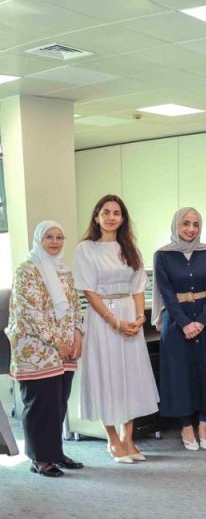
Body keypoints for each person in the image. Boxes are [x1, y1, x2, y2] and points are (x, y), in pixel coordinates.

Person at [74, 195, 159, 464]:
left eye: (117, 213)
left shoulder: (130, 248)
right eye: (106, 212)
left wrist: (138, 318)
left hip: (128, 315)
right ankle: (112, 439)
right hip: (102, 318)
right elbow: (89, 291)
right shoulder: (86, 249)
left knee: (129, 376)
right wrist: (114, 322)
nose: (111, 217)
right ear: (97, 217)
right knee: (106, 375)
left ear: (122, 219)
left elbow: (138, 287)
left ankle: (128, 438)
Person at [6, 222, 84, 476]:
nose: (55, 242)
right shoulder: (26, 270)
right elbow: (30, 312)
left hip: (64, 349)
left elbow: (75, 306)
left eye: (59, 237)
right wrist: (56, 341)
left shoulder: (64, 271)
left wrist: (78, 335)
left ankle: (54, 453)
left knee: (58, 404)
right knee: (40, 405)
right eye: (49, 237)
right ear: (38, 240)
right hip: (36, 349)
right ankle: (39, 459)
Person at [153, 208, 206, 450]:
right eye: (186, 223)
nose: (191, 229)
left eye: (195, 224)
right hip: (176, 322)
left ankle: (204, 425)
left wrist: (202, 321)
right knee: (180, 375)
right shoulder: (162, 255)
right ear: (176, 225)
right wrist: (185, 323)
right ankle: (186, 427)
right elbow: (166, 293)